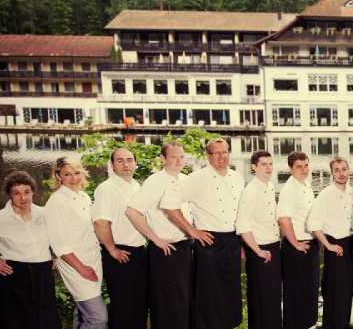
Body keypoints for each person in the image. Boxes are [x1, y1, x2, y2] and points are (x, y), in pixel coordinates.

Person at [162, 138, 244, 329]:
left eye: (224, 152)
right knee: (209, 295)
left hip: (232, 240)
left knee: (230, 291)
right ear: (208, 156)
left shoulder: (237, 178)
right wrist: (191, 230)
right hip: (209, 241)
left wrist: (242, 243)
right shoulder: (196, 178)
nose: (221, 157)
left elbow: (241, 212)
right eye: (216, 153)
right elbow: (169, 204)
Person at [0, 171, 60, 329]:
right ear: (9, 195)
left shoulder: (44, 214)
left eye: (27, 192)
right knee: (15, 321)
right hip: (14, 274)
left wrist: (56, 255)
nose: (23, 198)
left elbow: (58, 236)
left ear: (33, 192)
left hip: (42, 273)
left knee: (44, 320)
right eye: (16, 193)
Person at [125, 142, 194, 329]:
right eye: (173, 157)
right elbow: (132, 211)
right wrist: (155, 239)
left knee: (184, 300)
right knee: (167, 303)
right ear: (163, 159)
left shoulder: (185, 179)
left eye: (181, 156)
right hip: (166, 249)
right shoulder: (155, 181)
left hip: (185, 248)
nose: (179, 161)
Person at [45, 157, 107, 329]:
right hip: (75, 264)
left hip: (92, 259)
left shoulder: (83, 196)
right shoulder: (56, 202)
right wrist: (82, 269)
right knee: (97, 317)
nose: (74, 178)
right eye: (67, 174)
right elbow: (60, 245)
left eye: (77, 173)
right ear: (59, 177)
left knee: (82, 313)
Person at [92, 148, 146, 328]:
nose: (126, 165)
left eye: (130, 160)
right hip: (119, 252)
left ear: (135, 163)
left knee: (138, 304)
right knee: (123, 306)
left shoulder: (136, 186)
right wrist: (112, 249)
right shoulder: (106, 189)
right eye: (120, 161)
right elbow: (100, 222)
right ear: (112, 165)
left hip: (138, 252)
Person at [236, 150, 282, 329]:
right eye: (264, 164)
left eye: (270, 164)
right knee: (260, 298)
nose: (268, 168)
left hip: (272, 247)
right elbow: (242, 226)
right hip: (260, 250)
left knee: (272, 296)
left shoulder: (269, 186)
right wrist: (257, 251)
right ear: (254, 167)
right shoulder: (251, 191)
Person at [309, 158, 353, 329]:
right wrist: (328, 245)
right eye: (337, 170)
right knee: (333, 289)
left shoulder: (350, 191)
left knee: (346, 289)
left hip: (350, 244)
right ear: (332, 173)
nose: (341, 173)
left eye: (344, 169)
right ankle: (332, 325)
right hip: (335, 245)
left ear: (349, 170)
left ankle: (343, 323)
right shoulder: (326, 194)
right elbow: (313, 224)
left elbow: (352, 221)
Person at [277, 151, 319, 329]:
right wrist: (295, 244)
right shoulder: (289, 189)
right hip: (297, 247)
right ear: (290, 168)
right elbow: (283, 219)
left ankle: (309, 324)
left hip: (309, 244)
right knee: (296, 291)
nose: (304, 169)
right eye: (299, 167)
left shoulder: (306, 184)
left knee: (309, 288)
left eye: (306, 165)